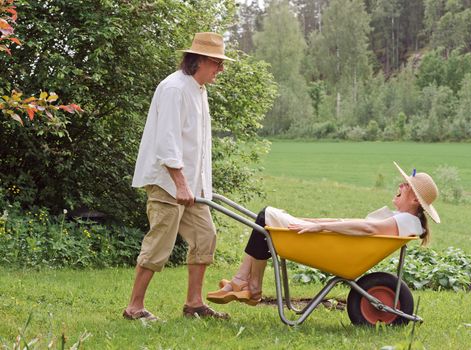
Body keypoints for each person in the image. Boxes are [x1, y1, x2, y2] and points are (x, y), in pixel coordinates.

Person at [206, 162, 441, 306]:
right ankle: (248, 285)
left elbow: (368, 229)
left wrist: (320, 228)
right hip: (339, 246)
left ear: (414, 199)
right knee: (265, 222)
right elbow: (356, 223)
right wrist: (315, 221)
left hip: (338, 249)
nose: (400, 186)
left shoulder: (404, 220)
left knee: (265, 216)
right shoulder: (408, 221)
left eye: (406, 185)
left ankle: (246, 284)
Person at [123, 32, 234, 321]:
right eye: (216, 63)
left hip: (190, 187)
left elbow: (195, 146)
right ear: (198, 60)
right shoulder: (174, 88)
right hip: (166, 183)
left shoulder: (198, 89)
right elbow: (167, 142)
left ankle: (194, 304)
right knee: (160, 243)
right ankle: (134, 308)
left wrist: (197, 186)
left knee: (205, 236)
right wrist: (180, 183)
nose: (220, 70)